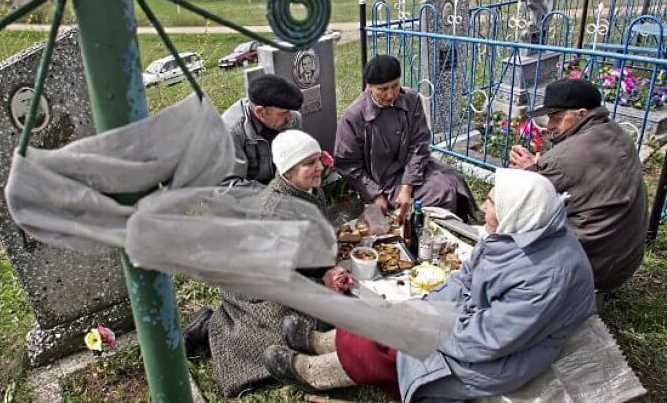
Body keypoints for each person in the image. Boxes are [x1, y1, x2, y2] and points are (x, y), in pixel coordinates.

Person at [263, 169, 596, 402]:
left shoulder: (546, 276)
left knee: (396, 345)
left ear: (517, 211)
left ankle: (316, 373)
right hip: (473, 324)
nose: (483, 207)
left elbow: (490, 340)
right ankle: (323, 342)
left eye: (492, 203)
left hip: (497, 354)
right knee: (391, 311)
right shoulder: (516, 233)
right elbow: (464, 280)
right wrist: (425, 305)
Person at [183, 129, 353, 397]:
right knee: (289, 331)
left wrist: (325, 266)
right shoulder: (274, 212)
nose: (320, 166)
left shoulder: (305, 188)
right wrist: (322, 281)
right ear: (286, 171)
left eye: (318, 159)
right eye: (309, 163)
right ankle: (212, 327)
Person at [509, 78, 647, 293]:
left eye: (557, 118)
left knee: (506, 241)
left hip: (593, 269)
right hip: (623, 261)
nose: (550, 126)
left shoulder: (564, 158)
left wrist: (529, 172)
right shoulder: (615, 133)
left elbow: (526, 201)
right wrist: (539, 168)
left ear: (581, 113)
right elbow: (579, 175)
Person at [334, 54, 476, 220]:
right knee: (441, 193)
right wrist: (375, 195)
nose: (390, 94)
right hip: (382, 180)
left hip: (413, 167)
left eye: (395, 86)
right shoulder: (354, 116)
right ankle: (423, 231)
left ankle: (453, 224)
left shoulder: (411, 99)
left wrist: (407, 187)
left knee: (453, 181)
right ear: (369, 86)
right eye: (383, 89)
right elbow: (347, 164)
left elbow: (419, 144)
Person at [221, 74, 304, 187]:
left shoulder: (293, 119)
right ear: (260, 112)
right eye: (284, 113)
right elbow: (228, 185)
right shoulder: (231, 133)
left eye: (290, 111)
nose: (290, 118)